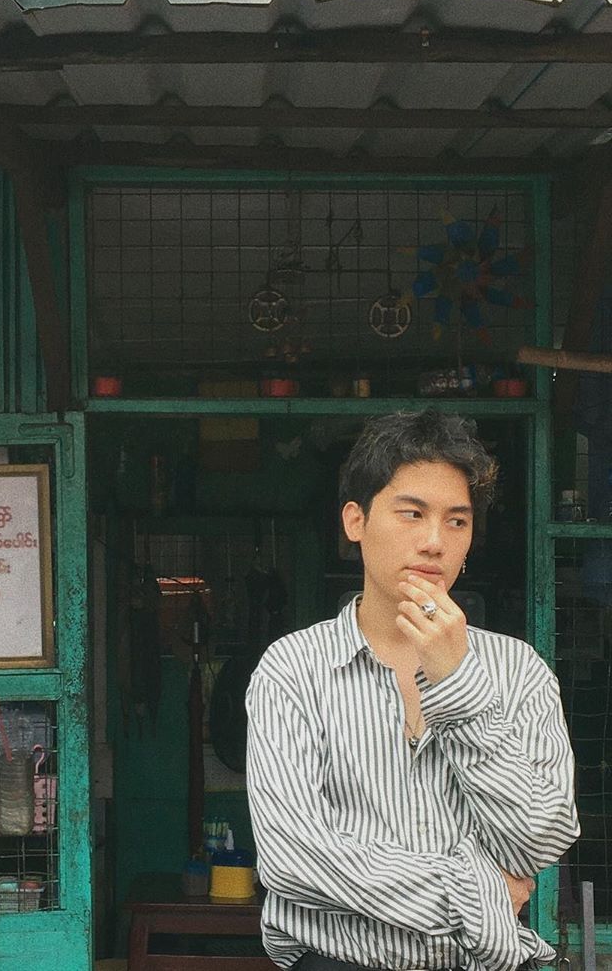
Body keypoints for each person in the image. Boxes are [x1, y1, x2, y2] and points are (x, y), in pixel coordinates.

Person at [245, 410, 578, 971]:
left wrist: (458, 684)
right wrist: (479, 895)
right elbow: (294, 861)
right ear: (355, 520)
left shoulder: (519, 670)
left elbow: (541, 840)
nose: (434, 542)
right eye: (412, 513)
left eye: (457, 521)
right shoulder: (294, 669)